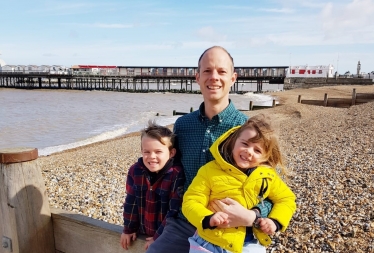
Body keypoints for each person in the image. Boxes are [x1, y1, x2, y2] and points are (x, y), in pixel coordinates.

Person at [146, 46, 273, 253]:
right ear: (197, 77)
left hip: (230, 227)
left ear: (233, 78)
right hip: (186, 222)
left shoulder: (247, 130)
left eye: (221, 71)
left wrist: (253, 215)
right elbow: (173, 179)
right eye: (207, 71)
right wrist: (154, 229)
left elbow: (270, 188)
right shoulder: (183, 126)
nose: (214, 77)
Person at [182, 114, 297, 253]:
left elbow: (287, 199)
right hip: (209, 242)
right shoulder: (209, 170)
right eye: (245, 144)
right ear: (233, 142)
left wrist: (275, 221)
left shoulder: (267, 176)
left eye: (257, 150)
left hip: (247, 244)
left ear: (265, 156)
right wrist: (208, 218)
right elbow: (191, 201)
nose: (249, 152)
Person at [120, 121, 185, 250]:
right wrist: (129, 228)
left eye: (158, 151)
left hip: (164, 235)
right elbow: (131, 202)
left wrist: (159, 236)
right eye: (147, 152)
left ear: (171, 153)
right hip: (142, 230)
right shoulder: (135, 170)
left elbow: (174, 211)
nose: (152, 157)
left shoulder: (176, 174)